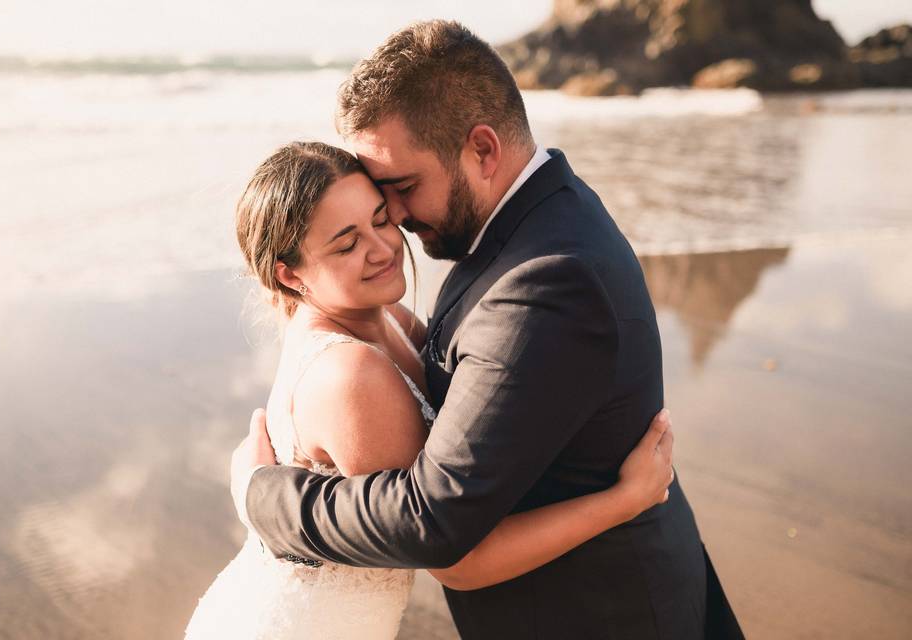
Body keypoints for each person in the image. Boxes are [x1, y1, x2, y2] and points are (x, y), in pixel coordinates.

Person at [234, 20, 743, 639]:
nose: (392, 218)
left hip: (601, 616)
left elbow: (435, 522)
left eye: (399, 190)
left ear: (482, 149)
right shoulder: (539, 222)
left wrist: (270, 498)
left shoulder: (543, 281)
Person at [185, 141, 675, 639]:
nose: (382, 248)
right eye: (346, 243)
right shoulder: (349, 374)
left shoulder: (387, 318)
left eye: (380, 219)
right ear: (290, 276)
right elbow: (456, 561)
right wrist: (625, 499)